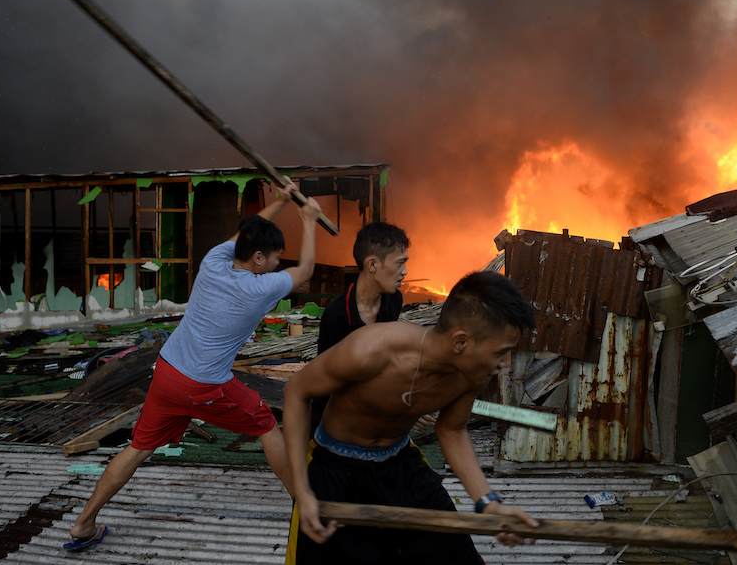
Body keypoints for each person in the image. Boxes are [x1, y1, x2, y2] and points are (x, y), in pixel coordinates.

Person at [65, 180, 321, 551]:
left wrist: (280, 201)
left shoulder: (213, 261)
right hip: (205, 385)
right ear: (259, 259)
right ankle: (307, 506)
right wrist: (309, 219)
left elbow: (242, 237)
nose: (279, 263)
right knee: (266, 424)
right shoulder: (260, 288)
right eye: (276, 256)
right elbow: (307, 271)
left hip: (167, 372)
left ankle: (83, 525)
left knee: (137, 447)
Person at [283, 271, 539, 564]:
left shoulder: (474, 373)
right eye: (502, 353)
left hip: (401, 466)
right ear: (460, 342)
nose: (506, 364)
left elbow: (452, 430)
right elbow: (297, 392)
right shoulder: (370, 350)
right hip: (337, 471)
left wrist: (489, 503)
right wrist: (302, 491)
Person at [309, 221, 411, 431]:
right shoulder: (337, 316)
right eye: (400, 263)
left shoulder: (393, 300)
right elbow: (330, 386)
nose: (405, 272)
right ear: (372, 264)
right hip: (337, 425)